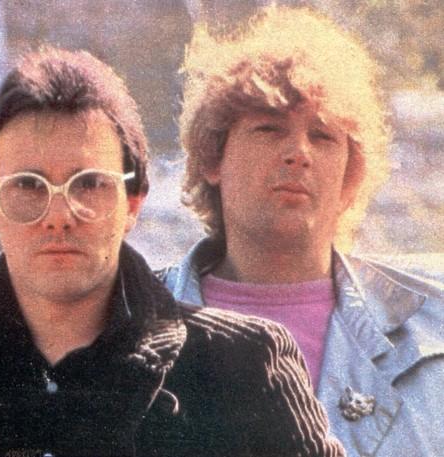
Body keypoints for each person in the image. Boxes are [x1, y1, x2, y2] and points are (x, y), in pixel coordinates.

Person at [0, 46, 344, 457]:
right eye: (29, 185)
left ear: (133, 201)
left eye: (90, 184)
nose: (59, 216)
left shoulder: (245, 366)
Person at [161, 5, 444, 457]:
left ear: (350, 175)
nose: (298, 153)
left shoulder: (432, 331)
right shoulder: (126, 323)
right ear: (213, 159)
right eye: (269, 129)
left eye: (322, 136)